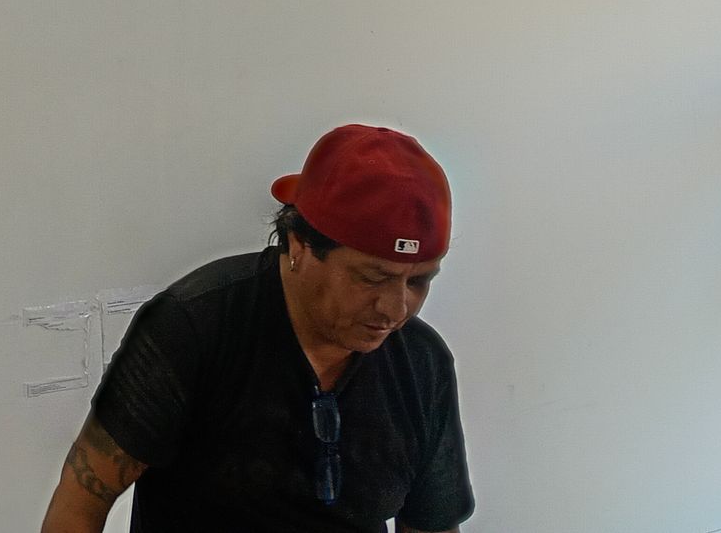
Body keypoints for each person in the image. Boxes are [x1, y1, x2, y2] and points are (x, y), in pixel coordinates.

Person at [40, 124, 473, 533]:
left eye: (419, 281)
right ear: (299, 244)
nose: (396, 309)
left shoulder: (421, 364)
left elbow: (431, 523)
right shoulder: (195, 328)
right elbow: (82, 498)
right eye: (372, 278)